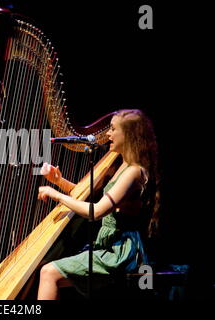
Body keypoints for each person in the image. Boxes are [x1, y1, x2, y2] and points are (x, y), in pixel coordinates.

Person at [37, 109, 160, 300]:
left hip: (121, 251)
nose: (107, 134)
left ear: (128, 135)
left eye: (112, 129)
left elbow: (96, 211)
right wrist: (59, 182)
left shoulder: (134, 172)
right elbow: (88, 197)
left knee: (48, 272)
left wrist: (57, 195)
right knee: (50, 268)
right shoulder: (122, 165)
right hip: (108, 244)